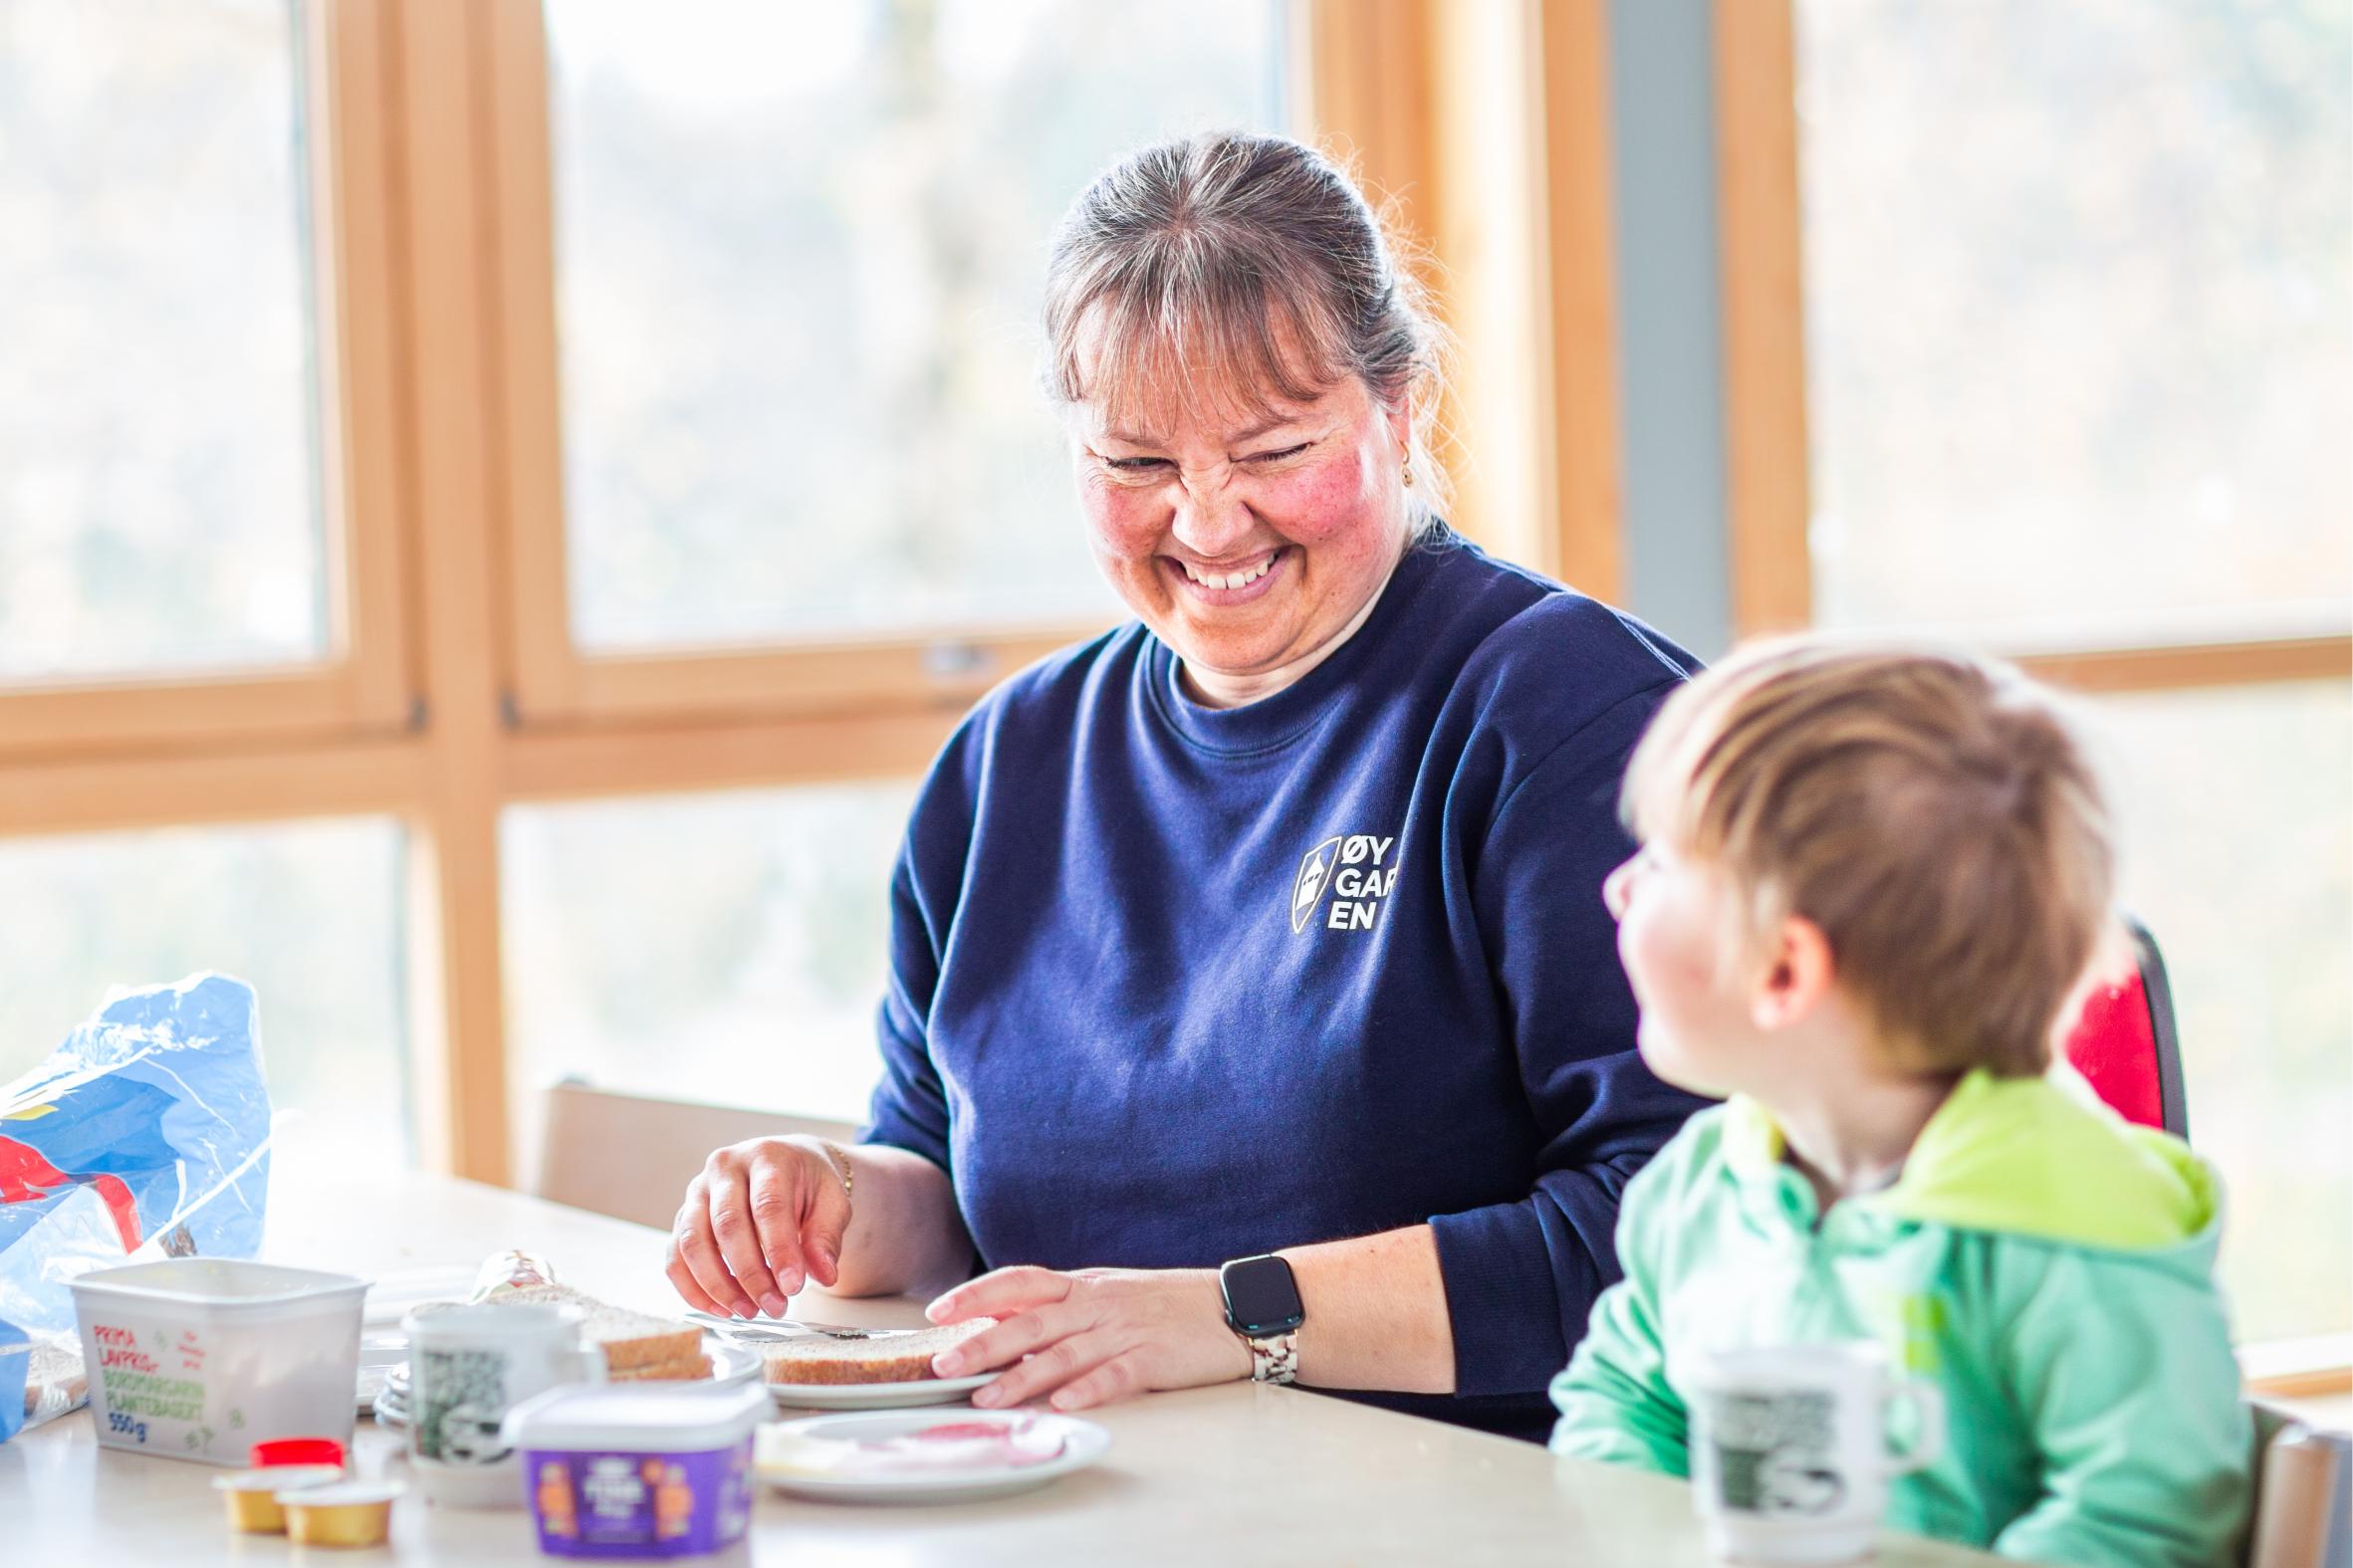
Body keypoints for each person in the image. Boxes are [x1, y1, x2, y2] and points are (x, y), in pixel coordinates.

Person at [667, 130, 1704, 1441]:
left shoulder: (1565, 714)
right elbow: (941, 1190)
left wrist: (1230, 1314)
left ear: (1401, 407)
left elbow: (1682, 1230)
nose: (1207, 524)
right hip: (1081, 1493)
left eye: (1271, 450)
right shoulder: (1007, 763)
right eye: (1136, 464)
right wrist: (827, 1195)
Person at [1548, 638, 2252, 1564]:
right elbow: (1623, 1402)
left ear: (1784, 971)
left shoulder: (2075, 1225)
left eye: (1662, 864)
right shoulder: (1704, 1185)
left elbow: (2143, 1521)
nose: (1616, 885)